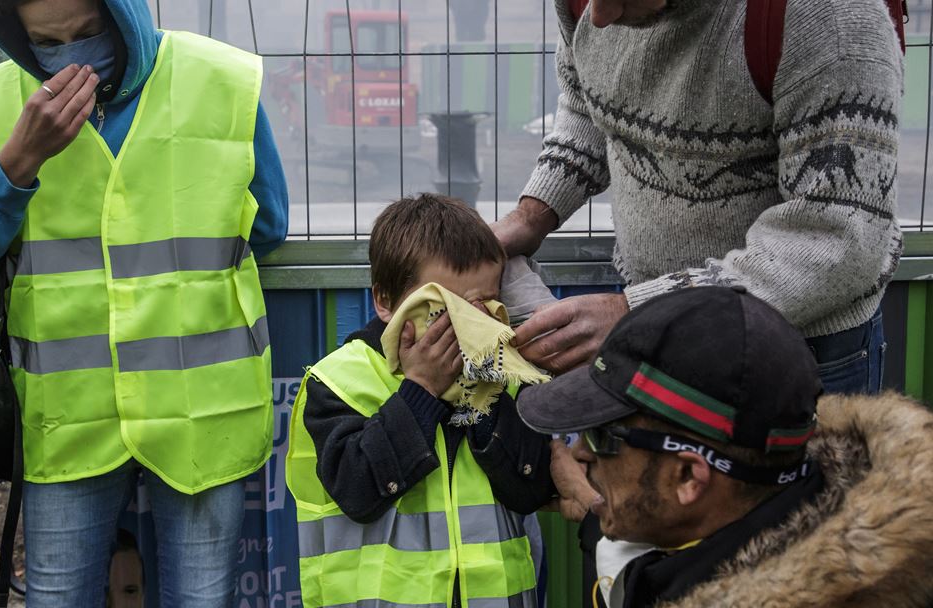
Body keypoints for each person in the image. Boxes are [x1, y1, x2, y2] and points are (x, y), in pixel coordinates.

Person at [0, 0, 288, 605]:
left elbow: (267, 225)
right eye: (48, 44)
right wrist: (16, 164)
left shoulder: (225, 81)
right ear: (17, 34)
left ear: (125, 17)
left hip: (202, 410)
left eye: (89, 33)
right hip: (69, 417)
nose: (72, 57)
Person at [494, 0, 903, 395]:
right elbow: (589, 104)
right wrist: (533, 215)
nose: (600, 16)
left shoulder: (830, 18)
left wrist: (640, 313)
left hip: (794, 348)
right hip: (653, 320)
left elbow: (837, 238)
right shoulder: (590, 6)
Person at [516, 286, 933, 607]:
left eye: (603, 437)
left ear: (687, 477)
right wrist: (601, 514)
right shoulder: (789, 495)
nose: (580, 455)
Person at [285, 194, 556, 608]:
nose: (467, 325)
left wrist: (480, 396)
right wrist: (422, 391)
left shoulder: (506, 373)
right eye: (443, 309)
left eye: (482, 306)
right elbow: (359, 491)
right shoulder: (338, 383)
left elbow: (529, 490)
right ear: (386, 302)